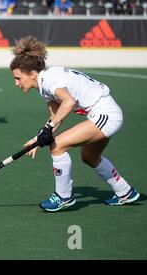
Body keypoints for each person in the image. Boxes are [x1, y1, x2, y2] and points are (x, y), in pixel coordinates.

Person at [9, 36, 140, 212]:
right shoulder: (45, 83)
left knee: (57, 145)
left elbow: (68, 103)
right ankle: (125, 192)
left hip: (106, 114)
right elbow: (56, 116)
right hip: (103, 114)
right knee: (90, 157)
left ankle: (63, 197)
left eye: (18, 78)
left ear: (32, 74)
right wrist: (37, 138)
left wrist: (47, 132)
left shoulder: (49, 80)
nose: (16, 83)